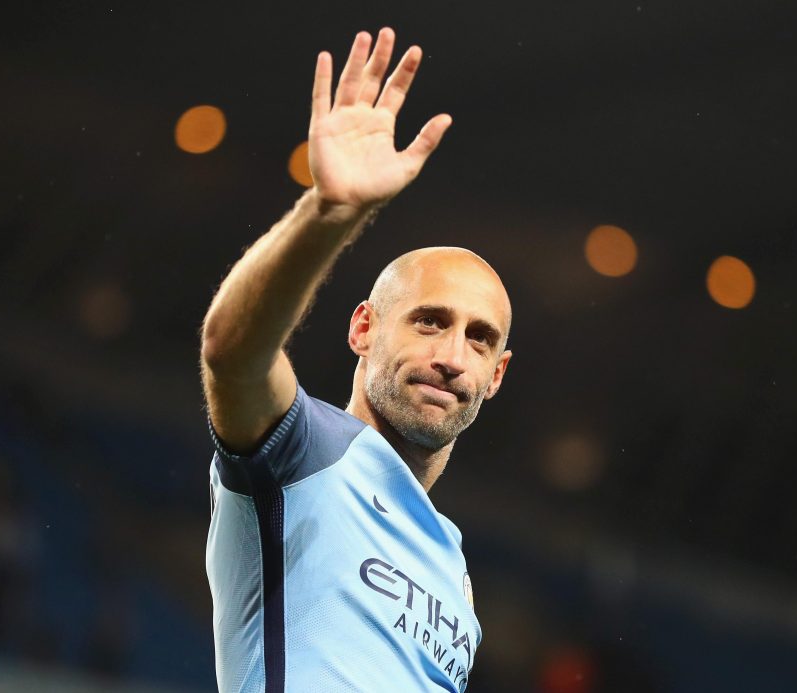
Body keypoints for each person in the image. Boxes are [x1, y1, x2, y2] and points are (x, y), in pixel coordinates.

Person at [200, 27, 512, 692]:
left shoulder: (451, 563)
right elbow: (231, 353)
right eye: (430, 321)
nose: (453, 356)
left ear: (497, 374)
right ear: (363, 328)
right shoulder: (303, 452)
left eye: (479, 338)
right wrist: (329, 212)